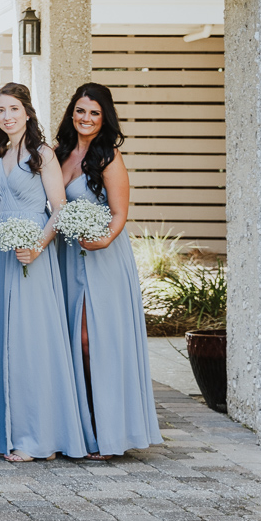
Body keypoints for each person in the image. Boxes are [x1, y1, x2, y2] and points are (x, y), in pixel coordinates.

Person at [54, 82, 162, 459]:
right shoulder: (60, 153)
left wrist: (102, 239)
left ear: (105, 118)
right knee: (70, 340)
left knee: (93, 340)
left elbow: (119, 214)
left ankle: (107, 431)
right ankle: (80, 430)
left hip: (103, 257)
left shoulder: (109, 158)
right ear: (72, 113)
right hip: (68, 257)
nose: (86, 118)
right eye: (81, 111)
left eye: (94, 113)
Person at [0, 82, 87, 462]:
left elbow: (59, 208)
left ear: (27, 112)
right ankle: (4, 430)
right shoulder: (1, 153)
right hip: (1, 250)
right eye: (0, 110)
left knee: (30, 341)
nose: (7, 116)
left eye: (13, 109)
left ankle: (35, 435)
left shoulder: (42, 154)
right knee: (2, 338)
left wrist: (37, 248)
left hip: (33, 251)